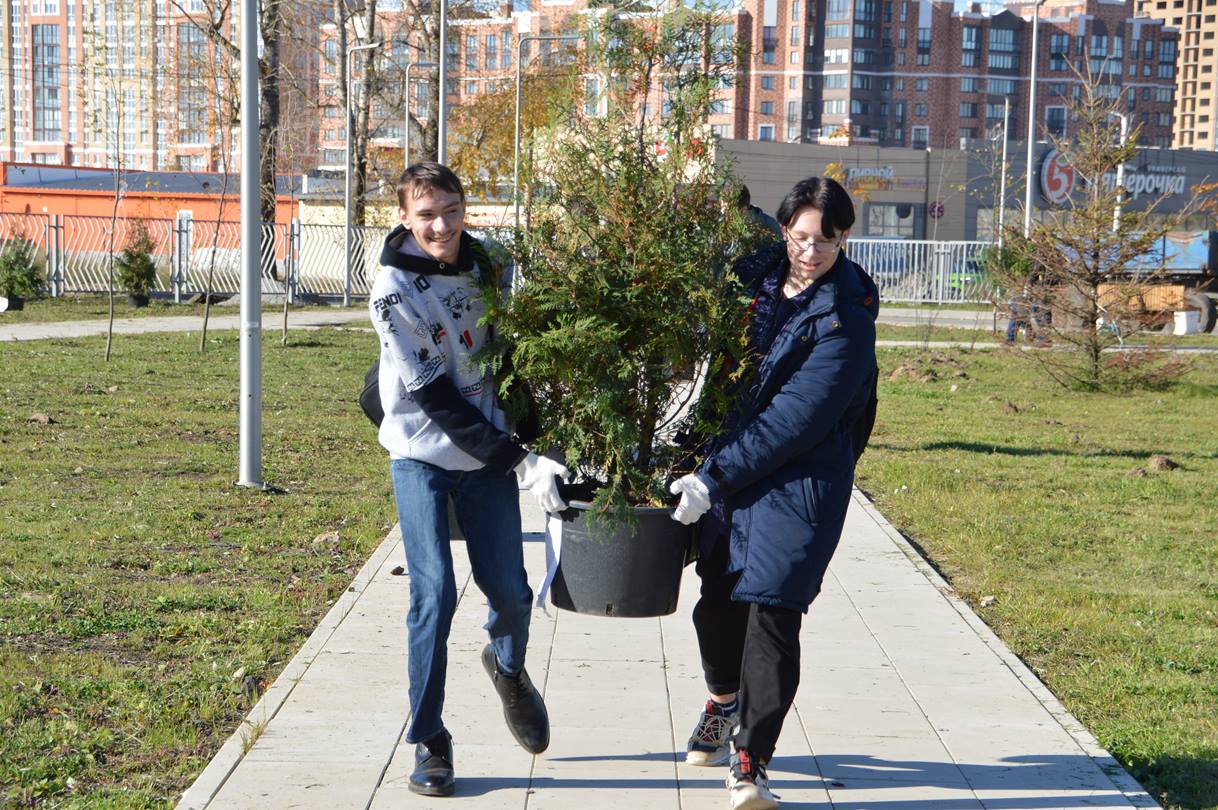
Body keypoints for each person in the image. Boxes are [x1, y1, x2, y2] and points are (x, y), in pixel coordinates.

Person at [669, 177, 879, 810]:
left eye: (826, 240)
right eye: (800, 236)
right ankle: (722, 699)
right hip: (732, 473)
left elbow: (795, 421)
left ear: (845, 238)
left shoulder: (847, 318)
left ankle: (749, 763)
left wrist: (712, 477)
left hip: (800, 481)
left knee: (775, 615)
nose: (810, 252)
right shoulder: (750, 279)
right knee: (719, 607)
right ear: (783, 228)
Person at [368, 162, 570, 797]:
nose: (441, 225)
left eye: (451, 210)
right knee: (433, 594)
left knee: (511, 593)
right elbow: (438, 399)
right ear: (404, 217)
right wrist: (522, 461)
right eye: (426, 214)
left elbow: (508, 357)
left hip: (485, 460)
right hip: (422, 455)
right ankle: (429, 739)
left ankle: (507, 667)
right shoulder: (392, 290)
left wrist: (536, 431)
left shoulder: (484, 265)